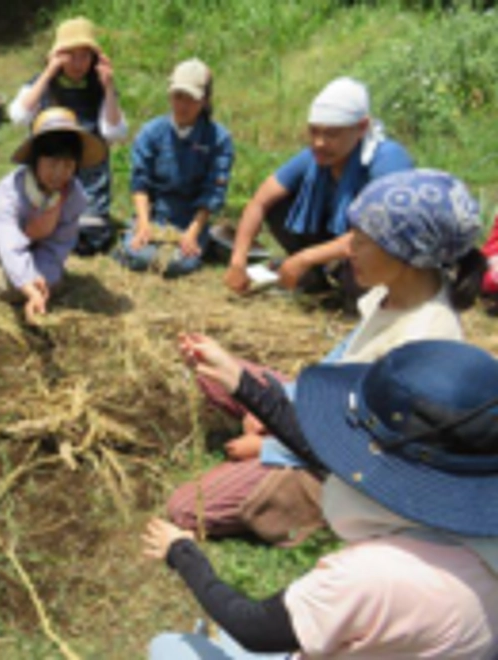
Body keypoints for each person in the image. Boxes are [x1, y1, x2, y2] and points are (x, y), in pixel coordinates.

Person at [167, 169, 487, 546]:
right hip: (331, 412)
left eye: (363, 241)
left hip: (342, 463)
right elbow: (335, 369)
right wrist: (281, 398)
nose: (349, 249)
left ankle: (306, 508)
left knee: (185, 509)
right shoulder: (389, 295)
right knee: (210, 370)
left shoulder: (422, 341)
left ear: (405, 255)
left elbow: (361, 451)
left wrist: (268, 445)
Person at [144, 339, 498, 659]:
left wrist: (182, 553)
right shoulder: (467, 536)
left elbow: (252, 627)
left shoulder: (371, 577)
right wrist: (242, 383)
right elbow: (326, 456)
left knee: (169, 648)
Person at [223, 77, 413, 299]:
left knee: (360, 289)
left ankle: (333, 273)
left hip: (382, 247)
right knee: (278, 205)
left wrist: (305, 258)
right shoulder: (313, 158)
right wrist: (238, 261)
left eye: (331, 134)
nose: (319, 142)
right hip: (344, 242)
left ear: (361, 128)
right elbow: (259, 202)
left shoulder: (386, 160)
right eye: (314, 132)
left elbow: (378, 233)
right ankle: (316, 277)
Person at [0, 107, 106, 323]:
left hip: (28, 251)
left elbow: (58, 246)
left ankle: (20, 284)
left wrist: (42, 279)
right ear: (36, 160)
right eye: (52, 163)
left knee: (53, 281)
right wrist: (29, 286)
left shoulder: (73, 196)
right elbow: (10, 245)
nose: (59, 173)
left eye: (68, 165)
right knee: (15, 288)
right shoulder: (9, 192)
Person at [8, 17, 128, 255]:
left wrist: (109, 86)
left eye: (84, 56)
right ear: (57, 55)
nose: (77, 63)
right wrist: (48, 73)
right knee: (36, 226)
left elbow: (115, 133)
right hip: (45, 180)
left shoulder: (100, 91)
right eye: (70, 55)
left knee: (91, 238)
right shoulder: (39, 85)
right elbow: (18, 116)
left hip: (87, 183)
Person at [115, 58, 234, 278]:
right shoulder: (151, 132)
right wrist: (143, 225)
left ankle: (203, 242)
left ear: (205, 101)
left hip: (191, 221)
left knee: (180, 263)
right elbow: (140, 182)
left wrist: (192, 233)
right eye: (178, 97)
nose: (183, 105)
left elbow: (213, 192)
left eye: (191, 98)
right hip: (155, 217)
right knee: (139, 253)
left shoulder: (219, 139)